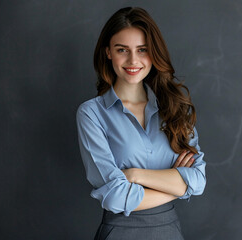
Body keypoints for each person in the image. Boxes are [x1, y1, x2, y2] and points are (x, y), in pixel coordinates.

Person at [76, 7, 206, 240]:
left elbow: (199, 180)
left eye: (142, 50)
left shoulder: (176, 109)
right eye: (122, 50)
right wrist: (178, 184)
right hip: (120, 233)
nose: (133, 60)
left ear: (153, 53)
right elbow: (115, 197)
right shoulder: (92, 114)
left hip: (170, 232)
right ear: (108, 52)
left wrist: (136, 174)